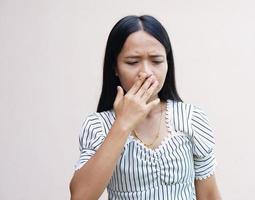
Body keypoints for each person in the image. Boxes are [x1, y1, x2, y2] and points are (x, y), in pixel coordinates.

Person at [69, 15, 222, 200]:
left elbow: (209, 195)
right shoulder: (98, 126)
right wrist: (123, 123)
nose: (146, 72)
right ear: (115, 67)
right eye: (132, 62)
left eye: (156, 61)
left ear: (168, 63)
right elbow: (81, 196)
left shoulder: (191, 118)